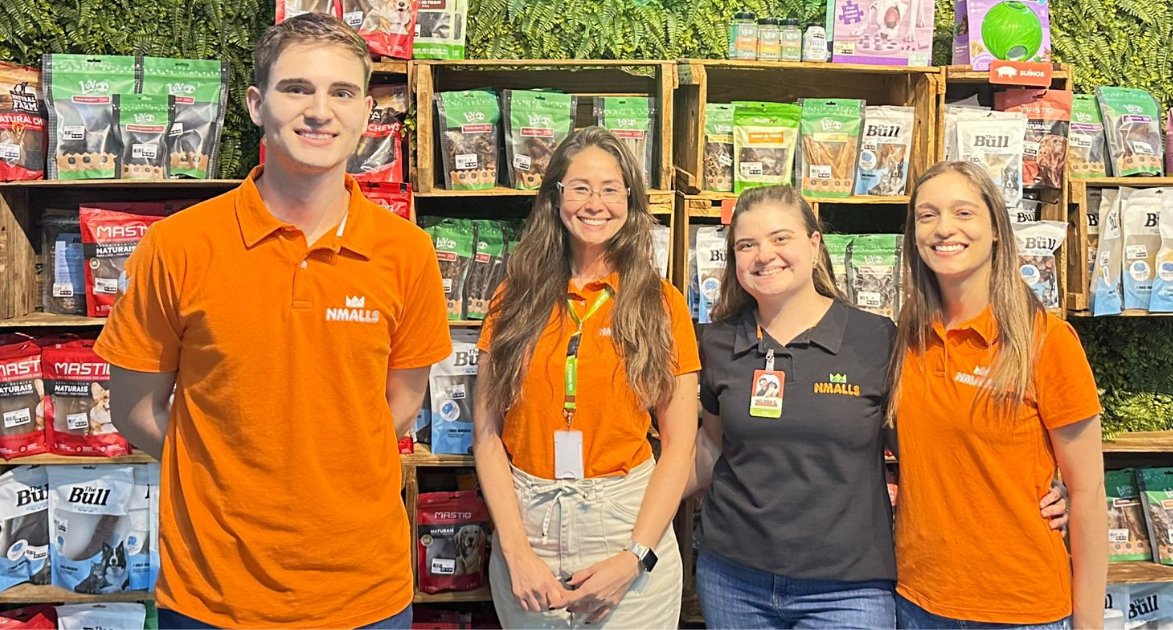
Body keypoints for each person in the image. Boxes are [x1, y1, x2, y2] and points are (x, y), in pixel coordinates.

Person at [94, 14, 451, 630]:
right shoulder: (177, 246)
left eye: (342, 92)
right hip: (213, 594)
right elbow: (134, 409)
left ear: (367, 114)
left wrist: (321, 459)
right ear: (257, 105)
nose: (320, 111)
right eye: (297, 88)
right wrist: (227, 472)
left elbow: (402, 401)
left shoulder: (407, 252)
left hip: (363, 592)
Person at [686, 184, 1072, 630]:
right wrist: (636, 511)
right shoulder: (719, 341)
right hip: (733, 577)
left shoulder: (877, 339)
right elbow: (709, 448)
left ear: (814, 245)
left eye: (780, 238)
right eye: (746, 245)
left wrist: (1043, 486)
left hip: (849, 588)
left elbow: (937, 437)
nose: (764, 255)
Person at [472, 127, 699, 629]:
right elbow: (486, 435)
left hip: (626, 522)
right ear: (555, 197)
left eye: (610, 188)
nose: (595, 203)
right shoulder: (512, 299)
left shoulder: (662, 304)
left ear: (630, 201)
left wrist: (635, 556)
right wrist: (516, 552)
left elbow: (680, 446)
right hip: (528, 523)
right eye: (580, 187)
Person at [889, 161, 1107, 630]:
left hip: (1021, 608)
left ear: (996, 232)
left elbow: (1087, 494)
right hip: (918, 601)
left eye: (963, 212)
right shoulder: (906, 335)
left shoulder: (1046, 340)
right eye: (927, 216)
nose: (943, 228)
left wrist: (1090, 624)